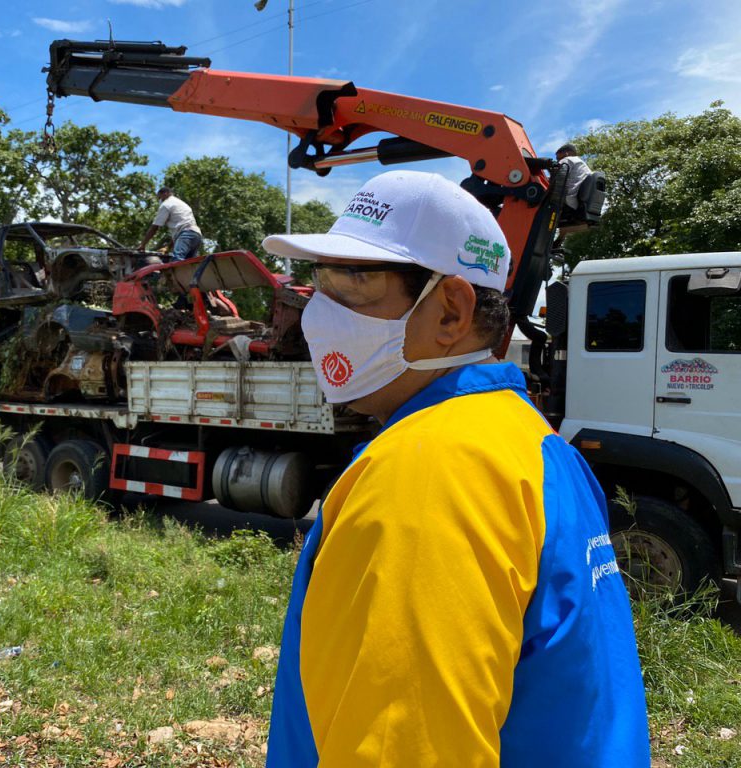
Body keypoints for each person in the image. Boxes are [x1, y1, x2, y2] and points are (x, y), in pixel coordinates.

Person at [261, 170, 648, 767]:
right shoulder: (532, 444)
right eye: (320, 282)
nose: (318, 314)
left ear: (450, 311)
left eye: (353, 282)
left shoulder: (428, 471)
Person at [138, 187, 203, 261]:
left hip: (186, 234)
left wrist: (143, 244)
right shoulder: (181, 203)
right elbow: (180, 230)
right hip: (196, 235)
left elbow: (155, 227)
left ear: (165, 194)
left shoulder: (166, 205)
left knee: (177, 261)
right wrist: (168, 247)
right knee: (190, 264)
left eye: (160, 197)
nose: (160, 200)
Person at [556, 142, 592, 215]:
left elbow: (558, 179)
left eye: (558, 159)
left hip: (568, 202)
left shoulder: (567, 159)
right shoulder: (582, 165)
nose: (558, 162)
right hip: (577, 205)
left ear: (566, 153)